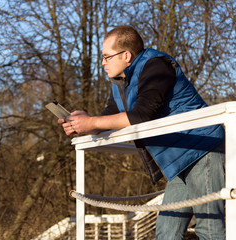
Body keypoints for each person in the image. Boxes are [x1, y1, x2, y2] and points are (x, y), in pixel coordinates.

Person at [58, 25, 225, 239]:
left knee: (209, 230)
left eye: (107, 57)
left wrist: (92, 122)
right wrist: (81, 123)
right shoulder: (120, 83)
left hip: (203, 151)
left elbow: (142, 115)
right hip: (177, 163)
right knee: (166, 233)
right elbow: (106, 120)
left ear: (126, 55)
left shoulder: (156, 66)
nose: (103, 63)